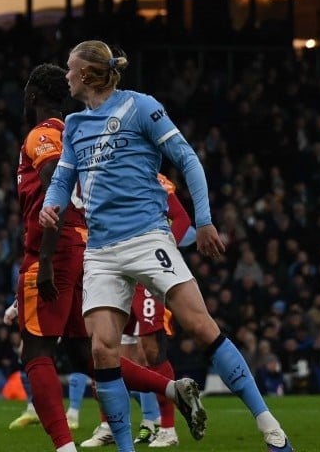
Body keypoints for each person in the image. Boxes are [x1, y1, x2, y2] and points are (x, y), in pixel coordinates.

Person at [40, 41, 294, 452]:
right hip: (101, 251)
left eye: (70, 68)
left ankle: (270, 428)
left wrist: (205, 220)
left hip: (147, 237)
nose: (65, 75)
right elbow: (62, 179)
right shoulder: (72, 125)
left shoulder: (140, 107)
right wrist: (51, 207)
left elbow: (187, 158)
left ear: (86, 74)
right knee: (103, 349)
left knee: (200, 326)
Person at [16, 63, 203, 452]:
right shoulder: (82, 130)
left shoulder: (45, 134)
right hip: (88, 251)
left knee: (36, 351)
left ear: (33, 96)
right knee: (87, 355)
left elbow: (57, 189)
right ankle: (170, 388)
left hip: (58, 251)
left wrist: (47, 258)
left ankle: (65, 446)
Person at [81, 174, 195, 449]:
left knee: (151, 349)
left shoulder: (151, 176)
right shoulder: (97, 176)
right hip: (113, 269)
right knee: (109, 349)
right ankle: (110, 424)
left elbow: (181, 219)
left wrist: (164, 247)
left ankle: (168, 428)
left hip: (144, 269)